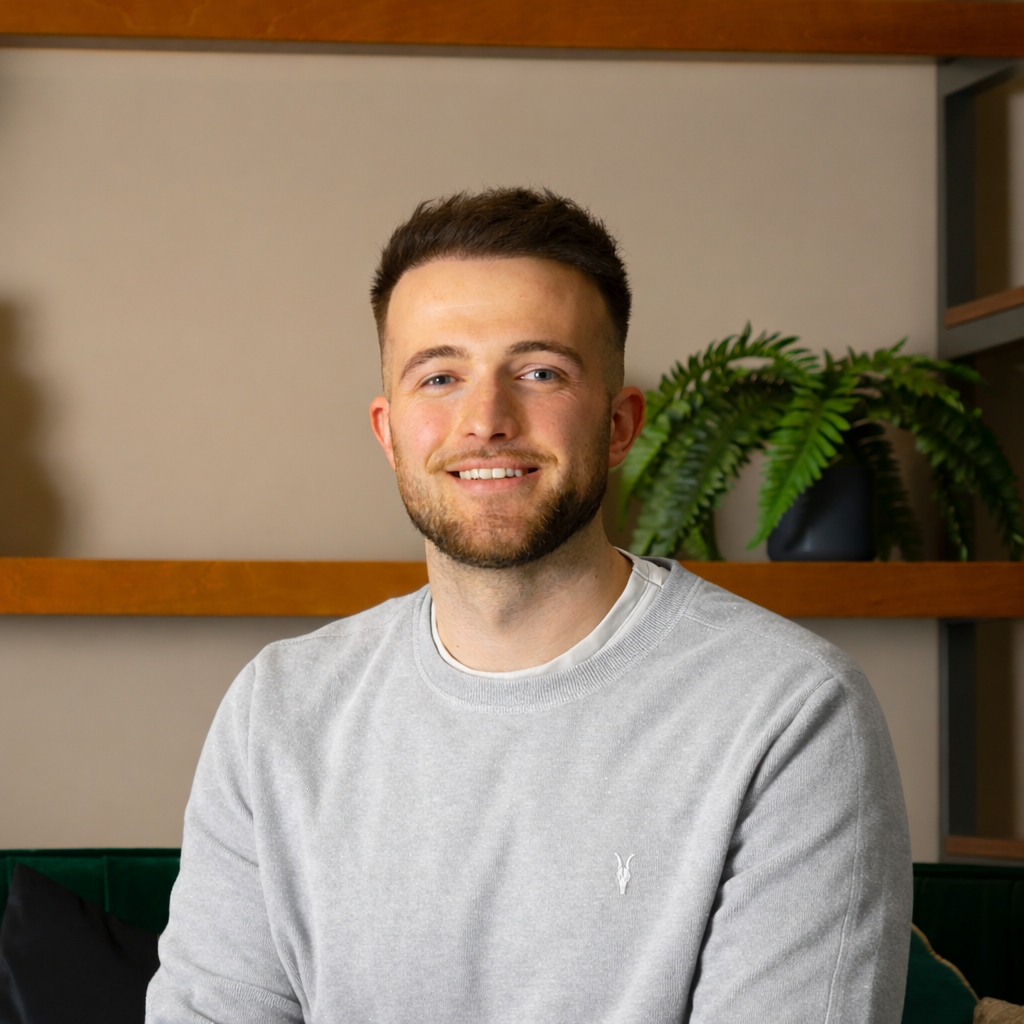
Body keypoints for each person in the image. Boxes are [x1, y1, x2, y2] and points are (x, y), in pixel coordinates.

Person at [147, 187, 912, 1023]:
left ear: (620, 427)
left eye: (539, 371)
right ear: (389, 431)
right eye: (440, 376)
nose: (485, 421)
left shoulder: (790, 712)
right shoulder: (278, 709)